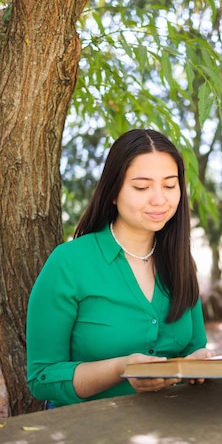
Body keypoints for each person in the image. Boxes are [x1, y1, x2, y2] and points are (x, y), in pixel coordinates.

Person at [26, 128, 211, 407]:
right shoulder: (68, 263)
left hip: (175, 425)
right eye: (141, 187)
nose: (159, 199)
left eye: (170, 185)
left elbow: (193, 347)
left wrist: (196, 363)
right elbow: (42, 378)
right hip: (90, 432)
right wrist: (122, 369)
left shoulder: (180, 262)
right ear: (113, 192)